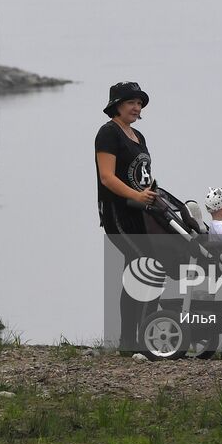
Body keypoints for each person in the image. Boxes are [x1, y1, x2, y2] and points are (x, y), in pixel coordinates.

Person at [95, 81, 157, 351]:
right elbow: (107, 177)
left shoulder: (138, 136)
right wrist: (135, 196)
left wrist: (151, 195)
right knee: (139, 266)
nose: (136, 107)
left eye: (139, 103)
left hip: (141, 213)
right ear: (116, 106)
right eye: (131, 102)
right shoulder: (108, 133)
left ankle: (147, 334)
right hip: (117, 214)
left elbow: (142, 175)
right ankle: (128, 340)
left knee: (151, 267)